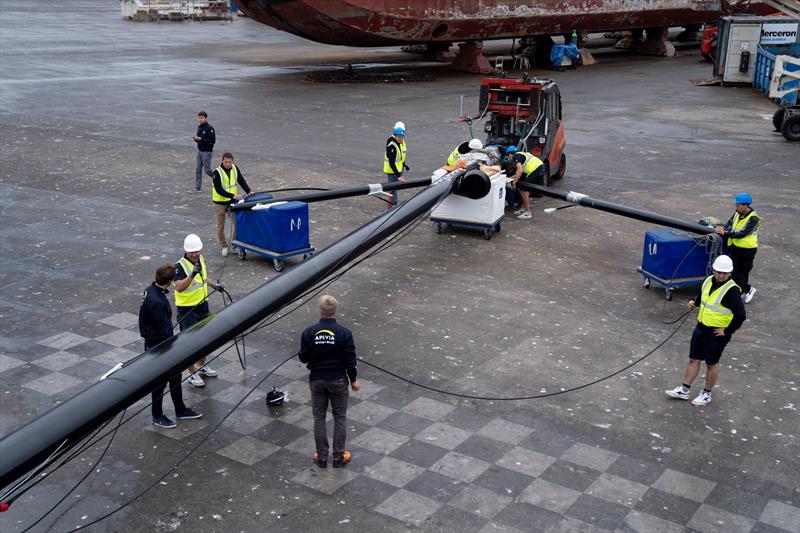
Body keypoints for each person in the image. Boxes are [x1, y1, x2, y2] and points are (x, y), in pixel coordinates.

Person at [665, 255, 746, 406]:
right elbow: (703, 296)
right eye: (718, 272)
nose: (721, 275)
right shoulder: (708, 280)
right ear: (714, 270)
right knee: (693, 359)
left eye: (724, 273)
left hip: (717, 333)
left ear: (730, 273)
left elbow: (741, 315)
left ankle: (706, 393)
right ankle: (684, 389)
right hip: (701, 327)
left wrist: (727, 331)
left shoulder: (732, 291)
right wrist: (693, 302)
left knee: (711, 363)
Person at [299, 295, 360, 468]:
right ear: (335, 311)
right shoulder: (344, 333)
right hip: (338, 380)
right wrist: (353, 380)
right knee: (340, 417)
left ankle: (322, 457)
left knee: (319, 418)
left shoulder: (309, 332)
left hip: (317, 380)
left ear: (320, 311)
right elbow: (350, 360)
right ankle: (339, 457)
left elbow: (303, 358)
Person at [139, 265, 203, 428]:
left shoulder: (151, 290)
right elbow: (164, 328)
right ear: (170, 282)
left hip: (157, 341)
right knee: (159, 381)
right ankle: (157, 415)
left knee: (175, 376)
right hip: (159, 345)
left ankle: (180, 409)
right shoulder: (157, 301)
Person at [174, 233, 221, 387]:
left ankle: (201, 366)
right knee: (189, 342)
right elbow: (179, 287)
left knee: (205, 339)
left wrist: (214, 285)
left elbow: (203, 278)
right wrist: (192, 274)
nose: (195, 254)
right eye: (192, 252)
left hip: (202, 305)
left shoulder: (200, 259)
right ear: (186, 251)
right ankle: (191, 373)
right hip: (187, 310)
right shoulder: (179, 266)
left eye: (197, 251)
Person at [715, 193, 761, 304]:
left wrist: (725, 233)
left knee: (742, 272)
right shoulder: (737, 213)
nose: (736, 208)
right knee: (735, 271)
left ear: (746, 205)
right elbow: (730, 223)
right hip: (736, 247)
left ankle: (747, 289)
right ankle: (741, 291)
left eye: (738, 205)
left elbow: (743, 233)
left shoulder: (754, 218)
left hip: (748, 249)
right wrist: (722, 227)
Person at [212, 152, 252, 257]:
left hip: (231, 202)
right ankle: (224, 246)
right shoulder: (217, 173)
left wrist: (249, 191)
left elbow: (241, 180)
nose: (228, 164)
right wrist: (233, 195)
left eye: (229, 162)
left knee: (237, 222)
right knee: (220, 226)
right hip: (220, 203)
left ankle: (234, 244)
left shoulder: (234, 168)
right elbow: (219, 189)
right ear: (222, 161)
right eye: (226, 162)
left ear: (232, 161)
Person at [504, 145, 545, 220]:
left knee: (523, 190)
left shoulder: (515, 157)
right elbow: (517, 174)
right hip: (539, 168)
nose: (509, 159)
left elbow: (520, 170)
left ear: (509, 154)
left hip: (537, 169)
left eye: (508, 157)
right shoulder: (520, 154)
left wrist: (513, 183)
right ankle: (524, 209)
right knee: (525, 189)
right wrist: (509, 179)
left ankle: (528, 212)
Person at [383, 122, 409, 208]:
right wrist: (398, 175)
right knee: (392, 190)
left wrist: (404, 164)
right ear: (395, 134)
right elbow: (391, 161)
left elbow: (401, 154)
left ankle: (394, 206)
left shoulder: (401, 140)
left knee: (394, 189)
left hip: (398, 169)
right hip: (393, 170)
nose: (401, 138)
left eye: (402, 136)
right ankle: (392, 208)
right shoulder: (391, 143)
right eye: (399, 136)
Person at [192, 111, 216, 193]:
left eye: (202, 118)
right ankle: (197, 187)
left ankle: (218, 178)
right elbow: (199, 139)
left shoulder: (210, 128)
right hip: (200, 151)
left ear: (206, 118)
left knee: (207, 170)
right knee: (198, 169)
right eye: (199, 118)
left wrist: (201, 139)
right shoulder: (199, 127)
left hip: (207, 152)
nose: (200, 120)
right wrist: (196, 140)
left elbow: (212, 141)